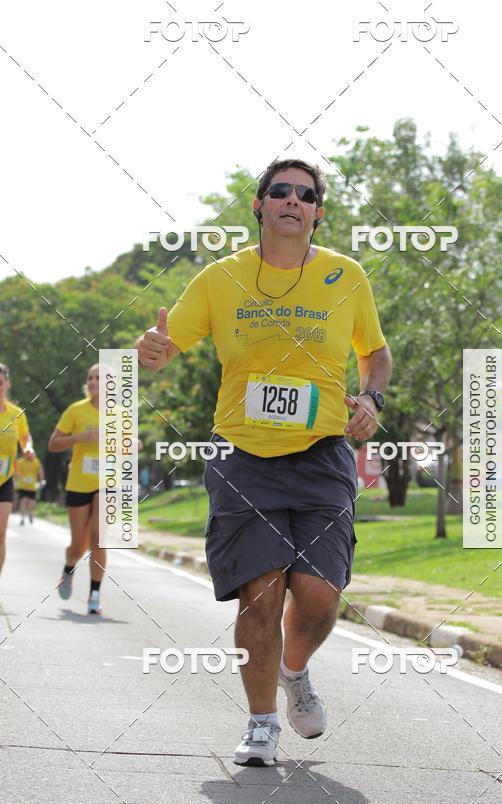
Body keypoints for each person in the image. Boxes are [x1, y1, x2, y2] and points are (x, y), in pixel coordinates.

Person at [136, 159, 392, 766]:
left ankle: (294, 670)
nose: (293, 201)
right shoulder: (221, 278)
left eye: (306, 194)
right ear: (259, 205)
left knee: (320, 595)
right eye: (281, 191)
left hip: (323, 452)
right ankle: (260, 723)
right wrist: (153, 349)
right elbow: (170, 343)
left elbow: (374, 353)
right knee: (261, 591)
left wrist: (372, 399)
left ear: (318, 211)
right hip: (244, 453)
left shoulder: (345, 276)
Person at [48, 364, 104, 615]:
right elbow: (53, 444)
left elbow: (133, 442)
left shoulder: (120, 412)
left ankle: (95, 594)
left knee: (98, 539)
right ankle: (69, 566)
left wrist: (135, 443)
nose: (93, 381)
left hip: (108, 484)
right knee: (78, 545)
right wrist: (78, 439)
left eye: (99, 377)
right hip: (79, 483)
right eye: (90, 377)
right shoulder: (76, 410)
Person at [0, 363, 35, 580]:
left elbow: (25, 437)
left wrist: (28, 448)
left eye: (0, 383)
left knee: (1, 534)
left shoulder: (16, 414)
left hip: (4, 479)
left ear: (7, 384)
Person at [14, 450, 44, 525]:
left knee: (31, 503)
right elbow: (16, 472)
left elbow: (39, 471)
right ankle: (22, 518)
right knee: (23, 501)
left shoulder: (36, 461)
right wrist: (17, 478)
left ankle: (30, 513)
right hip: (23, 485)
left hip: (32, 486)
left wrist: (41, 480)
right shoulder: (20, 462)